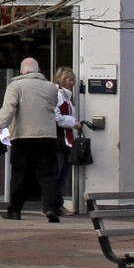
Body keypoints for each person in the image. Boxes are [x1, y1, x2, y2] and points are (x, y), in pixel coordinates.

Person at [0, 57, 63, 222]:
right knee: (48, 174)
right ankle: (52, 208)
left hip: (23, 135)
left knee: (20, 173)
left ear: (21, 71)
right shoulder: (51, 88)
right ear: (38, 71)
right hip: (47, 136)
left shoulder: (16, 86)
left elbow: (9, 108)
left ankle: (15, 210)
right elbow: (52, 106)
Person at [52, 66, 82, 215]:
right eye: (70, 80)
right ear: (63, 80)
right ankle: (54, 205)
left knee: (62, 174)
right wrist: (74, 123)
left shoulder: (66, 97)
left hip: (65, 140)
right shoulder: (57, 95)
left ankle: (57, 204)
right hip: (59, 140)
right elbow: (57, 118)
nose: (73, 83)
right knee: (57, 174)